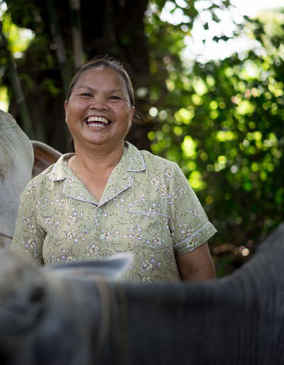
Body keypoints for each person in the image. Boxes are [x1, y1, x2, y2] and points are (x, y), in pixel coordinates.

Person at [11, 56, 217, 282]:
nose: (99, 105)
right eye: (86, 94)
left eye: (114, 97)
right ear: (67, 108)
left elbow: (198, 272)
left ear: (130, 113)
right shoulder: (38, 191)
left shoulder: (164, 177)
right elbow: (23, 284)